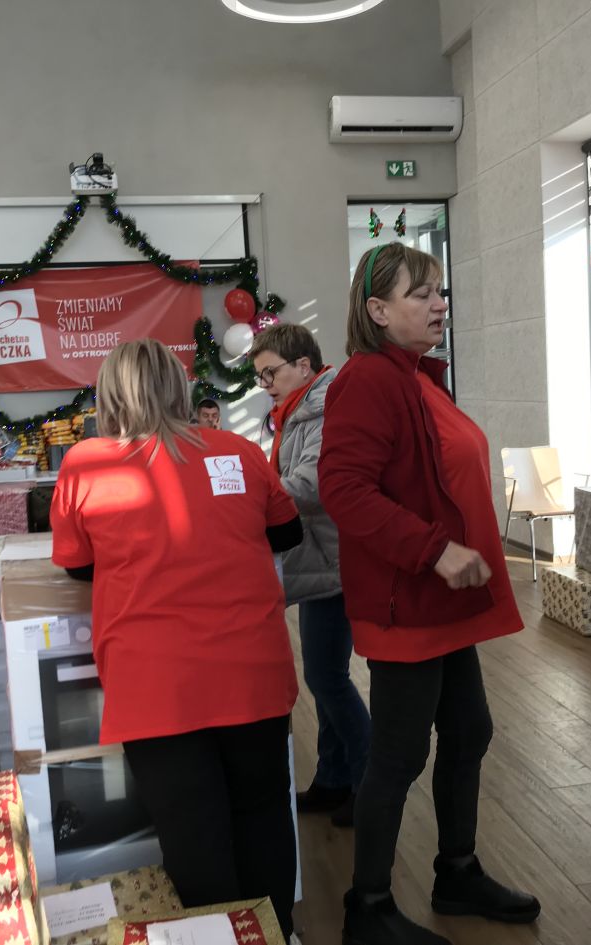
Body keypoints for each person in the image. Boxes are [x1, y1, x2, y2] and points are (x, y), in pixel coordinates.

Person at [320, 242, 541, 945]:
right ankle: (368, 906)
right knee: (398, 755)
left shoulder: (417, 377)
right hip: (406, 600)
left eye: (440, 291)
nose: (439, 304)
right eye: (421, 294)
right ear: (377, 310)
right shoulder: (368, 380)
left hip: (440, 600)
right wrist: (434, 549)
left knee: (470, 730)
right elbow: (344, 489)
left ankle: (457, 871)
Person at [50, 339, 302, 939]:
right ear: (179, 389)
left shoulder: (87, 462)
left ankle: (217, 935)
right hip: (252, 670)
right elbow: (287, 533)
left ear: (110, 396)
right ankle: (276, 933)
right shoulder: (238, 450)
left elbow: (78, 566)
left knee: (193, 832)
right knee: (264, 813)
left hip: (156, 685)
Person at [250, 323, 371, 829]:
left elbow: (310, 484)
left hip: (338, 561)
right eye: (260, 377)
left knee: (326, 677)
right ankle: (334, 779)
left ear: (304, 366)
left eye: (270, 373)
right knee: (325, 675)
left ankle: (370, 787)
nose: (266, 386)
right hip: (323, 559)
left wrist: (248, 493)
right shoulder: (300, 410)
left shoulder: (326, 410)